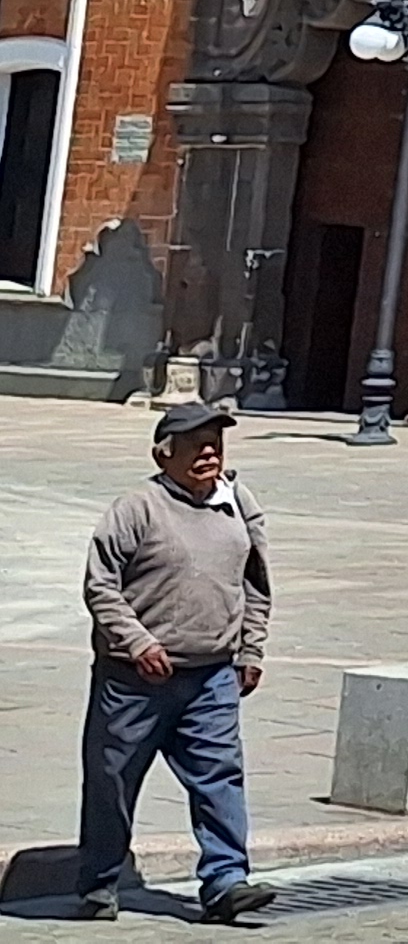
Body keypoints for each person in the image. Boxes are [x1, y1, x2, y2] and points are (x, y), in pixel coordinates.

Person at [79, 397, 275, 926]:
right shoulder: (136, 508)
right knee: (112, 781)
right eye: (194, 445)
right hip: (134, 678)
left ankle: (226, 881)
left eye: (215, 443)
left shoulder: (238, 503)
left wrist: (251, 648)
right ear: (162, 454)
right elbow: (100, 586)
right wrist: (138, 642)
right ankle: (99, 881)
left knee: (220, 777)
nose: (209, 453)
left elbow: (256, 585)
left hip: (212, 675)